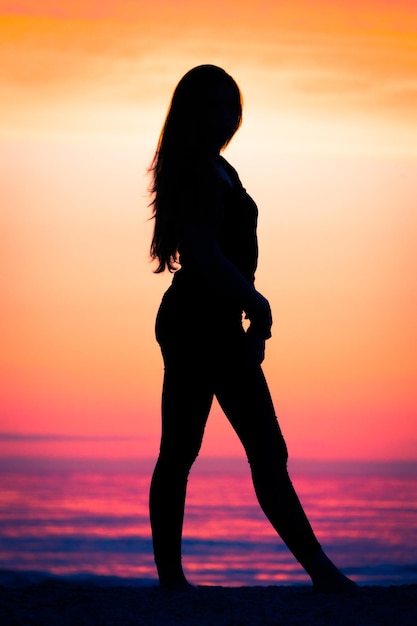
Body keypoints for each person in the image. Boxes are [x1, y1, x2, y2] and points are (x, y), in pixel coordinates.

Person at [148, 64, 357, 593]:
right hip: (196, 323)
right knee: (185, 451)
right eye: (216, 105)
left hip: (220, 322)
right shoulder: (194, 167)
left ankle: (321, 573)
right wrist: (256, 302)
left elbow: (235, 260)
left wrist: (251, 319)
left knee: (262, 452)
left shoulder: (223, 169)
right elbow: (206, 255)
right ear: (194, 111)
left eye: (233, 105)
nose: (228, 115)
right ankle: (175, 580)